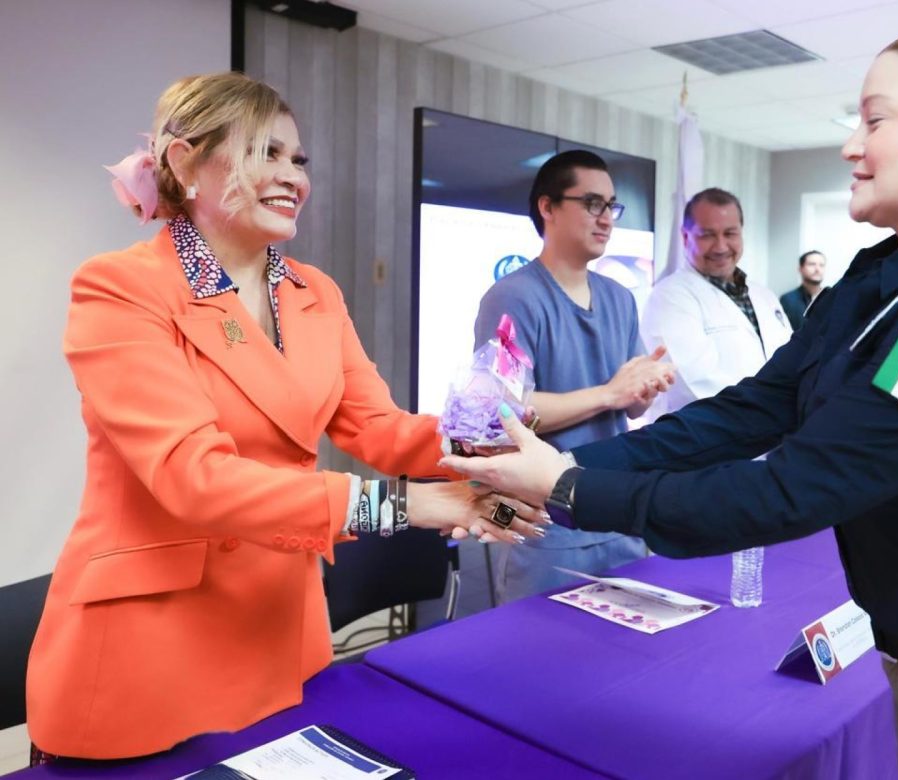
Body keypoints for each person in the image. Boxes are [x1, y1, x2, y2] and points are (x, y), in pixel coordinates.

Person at [444, 23, 898, 780]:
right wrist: (569, 464)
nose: (853, 145)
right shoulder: (887, 275)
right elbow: (758, 406)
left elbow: (796, 486)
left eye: (875, 120)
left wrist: (566, 488)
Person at [26, 72, 541, 763]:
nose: (290, 175)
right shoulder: (121, 287)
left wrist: (483, 441)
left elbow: (378, 429)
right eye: (263, 153)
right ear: (183, 163)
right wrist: (408, 506)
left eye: (297, 160)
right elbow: (194, 478)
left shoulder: (314, 294)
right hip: (148, 646)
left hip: (277, 629)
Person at [472, 150, 674, 603]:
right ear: (547, 207)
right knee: (543, 661)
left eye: (612, 206)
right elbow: (501, 413)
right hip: (544, 524)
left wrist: (646, 385)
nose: (606, 219)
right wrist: (608, 394)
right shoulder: (513, 297)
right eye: (592, 204)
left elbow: (632, 404)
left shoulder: (619, 297)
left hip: (615, 511)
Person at [640, 188, 791, 416]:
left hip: (772, 434)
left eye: (730, 233)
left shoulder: (764, 295)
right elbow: (694, 384)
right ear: (685, 237)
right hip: (708, 439)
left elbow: (790, 359)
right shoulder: (670, 296)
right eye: (707, 235)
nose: (720, 247)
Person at [779, 249, 827, 328]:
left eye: (821, 265)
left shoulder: (832, 298)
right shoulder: (787, 300)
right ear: (800, 269)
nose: (817, 269)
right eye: (812, 264)